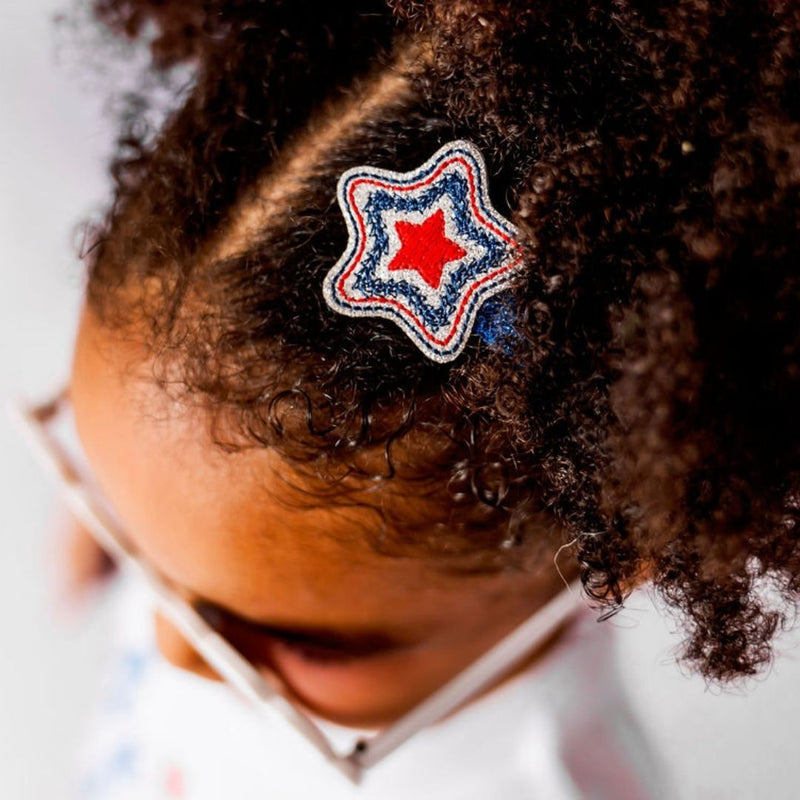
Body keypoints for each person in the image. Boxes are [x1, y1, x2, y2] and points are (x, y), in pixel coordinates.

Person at [56, 0, 800, 797]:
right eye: (118, 517)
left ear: (615, 550)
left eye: (309, 647)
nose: (169, 648)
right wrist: (129, 517)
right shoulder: (214, 522)